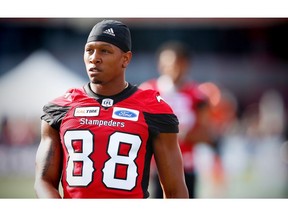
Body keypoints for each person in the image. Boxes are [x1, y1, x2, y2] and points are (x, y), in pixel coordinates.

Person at [34, 19, 188, 198]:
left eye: (105, 51)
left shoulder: (153, 109)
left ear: (126, 59)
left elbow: (175, 190)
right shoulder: (60, 108)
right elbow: (43, 180)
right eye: (89, 50)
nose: (94, 58)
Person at [139, 41, 214, 198]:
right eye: (169, 63)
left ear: (186, 64)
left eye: (178, 63)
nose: (173, 68)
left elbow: (207, 134)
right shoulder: (147, 91)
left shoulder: (197, 95)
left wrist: (174, 134)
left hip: (186, 168)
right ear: (160, 64)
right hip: (156, 168)